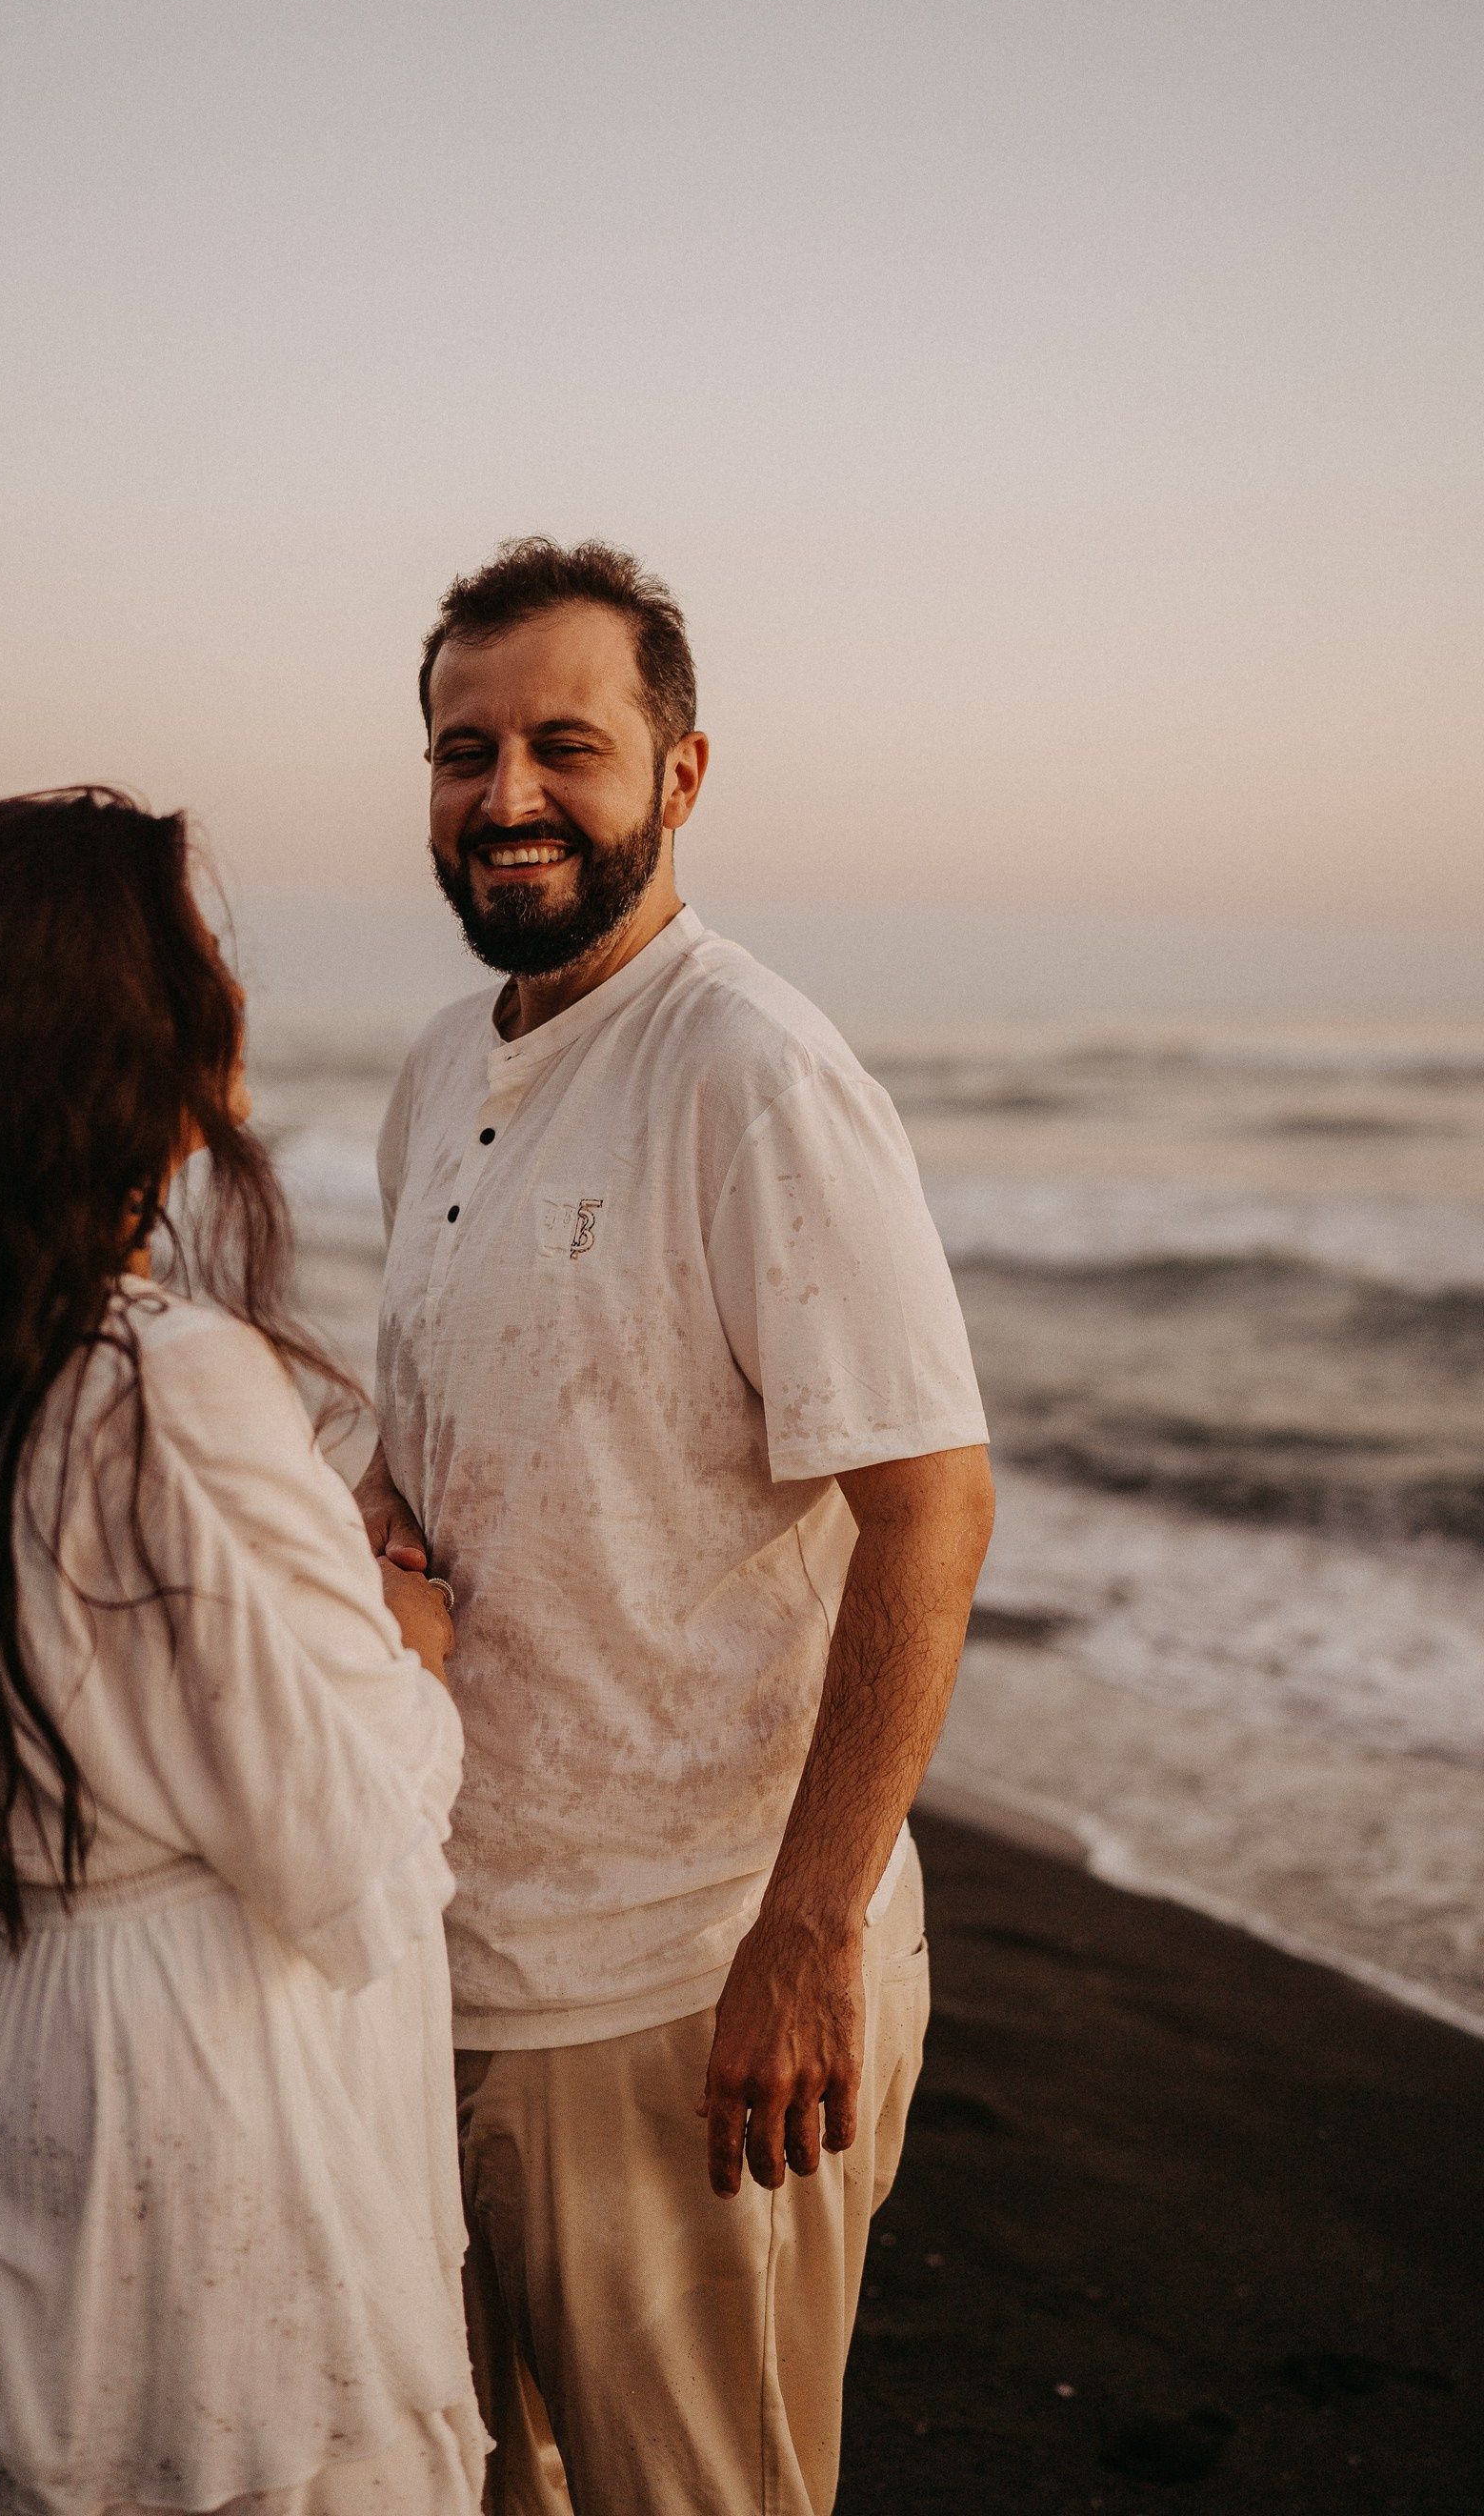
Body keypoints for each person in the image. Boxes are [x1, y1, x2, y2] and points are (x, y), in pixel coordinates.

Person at [357, 543, 995, 2516]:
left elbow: (927, 1504)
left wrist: (805, 1932)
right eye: (468, 752)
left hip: (690, 1987)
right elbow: (457, 1440)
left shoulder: (752, 1071)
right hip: (450, 1954)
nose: (510, 796)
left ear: (681, 773)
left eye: (567, 744)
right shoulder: (438, 1070)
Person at [0, 790, 486, 2516]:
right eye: (196, 959)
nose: (226, 993)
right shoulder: (163, 1379)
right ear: (115, 1032)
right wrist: (416, 1642)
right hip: (162, 2068)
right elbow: (353, 1848)